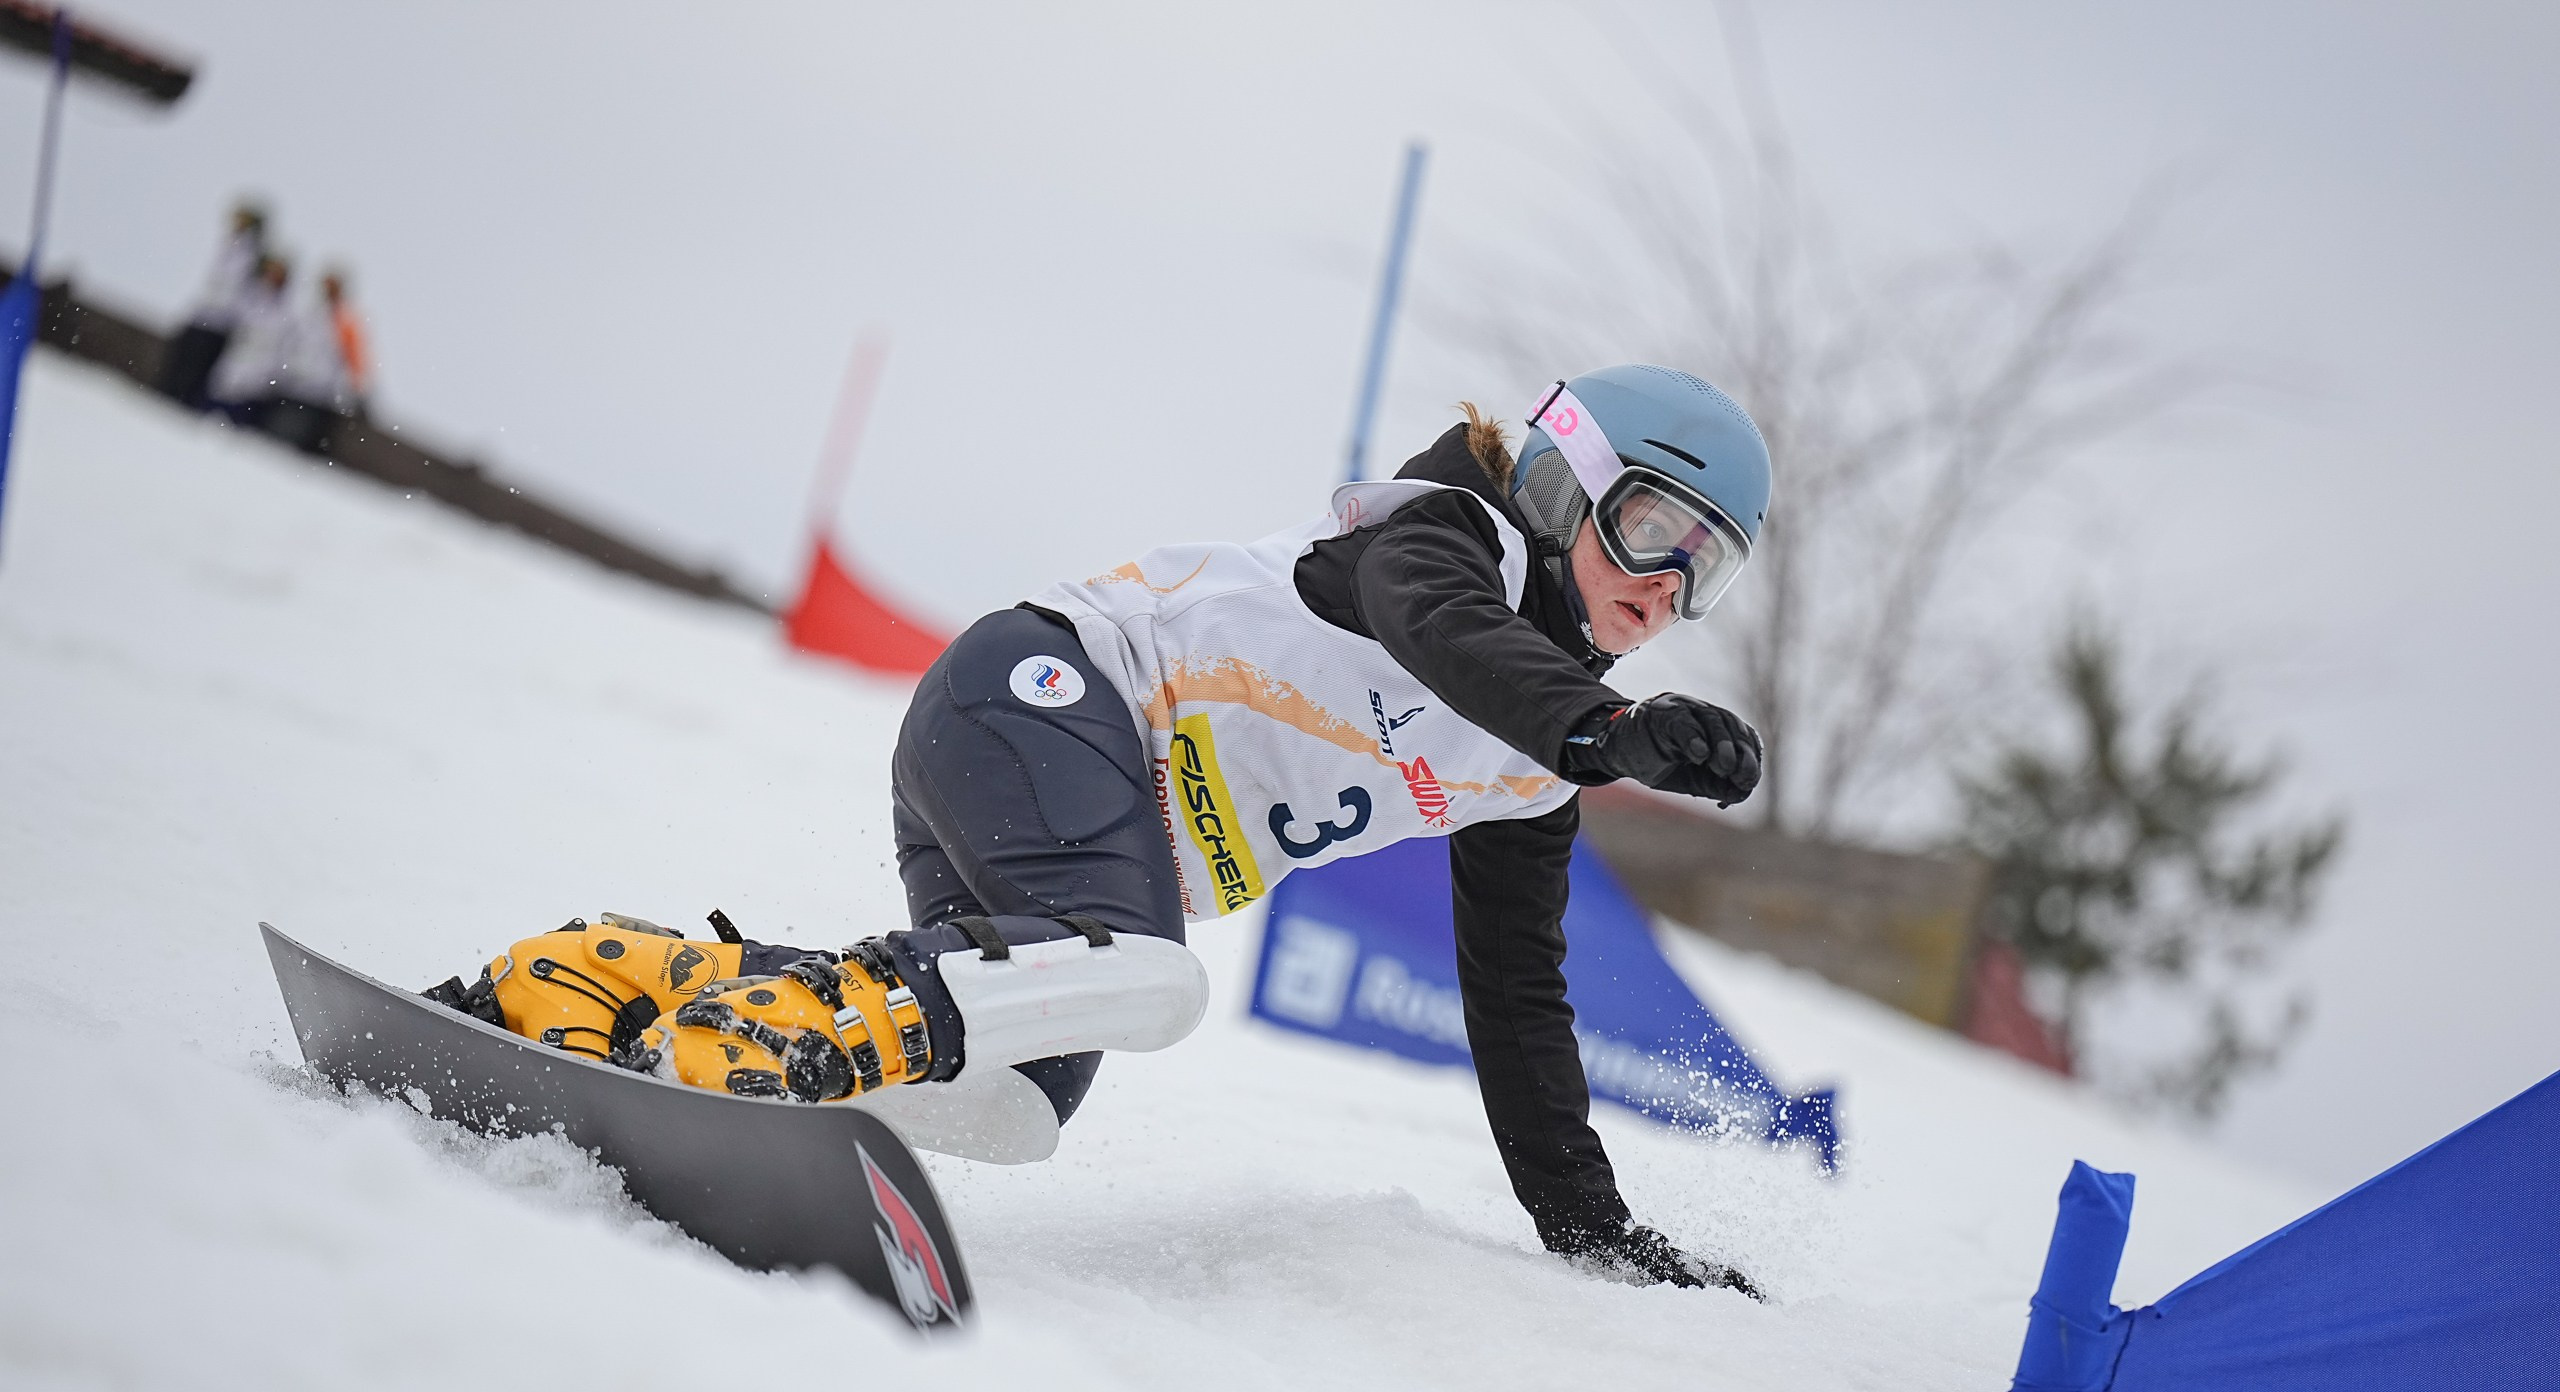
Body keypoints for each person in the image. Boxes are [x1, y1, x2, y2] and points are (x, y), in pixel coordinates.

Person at [447, 365, 1773, 1294]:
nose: (1665, 586)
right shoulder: (1443, 535)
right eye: (1649, 527)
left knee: (1011, 1098)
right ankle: (748, 1049)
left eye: (1704, 567)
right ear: (1559, 481)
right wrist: (1610, 732)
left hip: (1045, 796)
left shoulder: (1531, 765)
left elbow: (1517, 997)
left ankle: (617, 981)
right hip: (1033, 693)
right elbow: (1448, 632)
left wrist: (1592, 1233)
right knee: (1140, 972)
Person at [208, 254, 350, 453]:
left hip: (305, 393)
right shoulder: (259, 302)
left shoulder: (341, 322)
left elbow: (347, 362)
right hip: (249, 377)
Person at [158, 199, 269, 411]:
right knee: (180, 363)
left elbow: (243, 292)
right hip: (203, 315)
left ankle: (182, 402)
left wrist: (230, 313)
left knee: (195, 370)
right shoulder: (229, 244)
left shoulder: (253, 254)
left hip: (221, 323)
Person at [320, 267, 371, 417]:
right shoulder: (313, 315)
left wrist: (357, 385)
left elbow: (356, 357)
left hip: (338, 389)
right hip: (314, 387)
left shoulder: (346, 319)